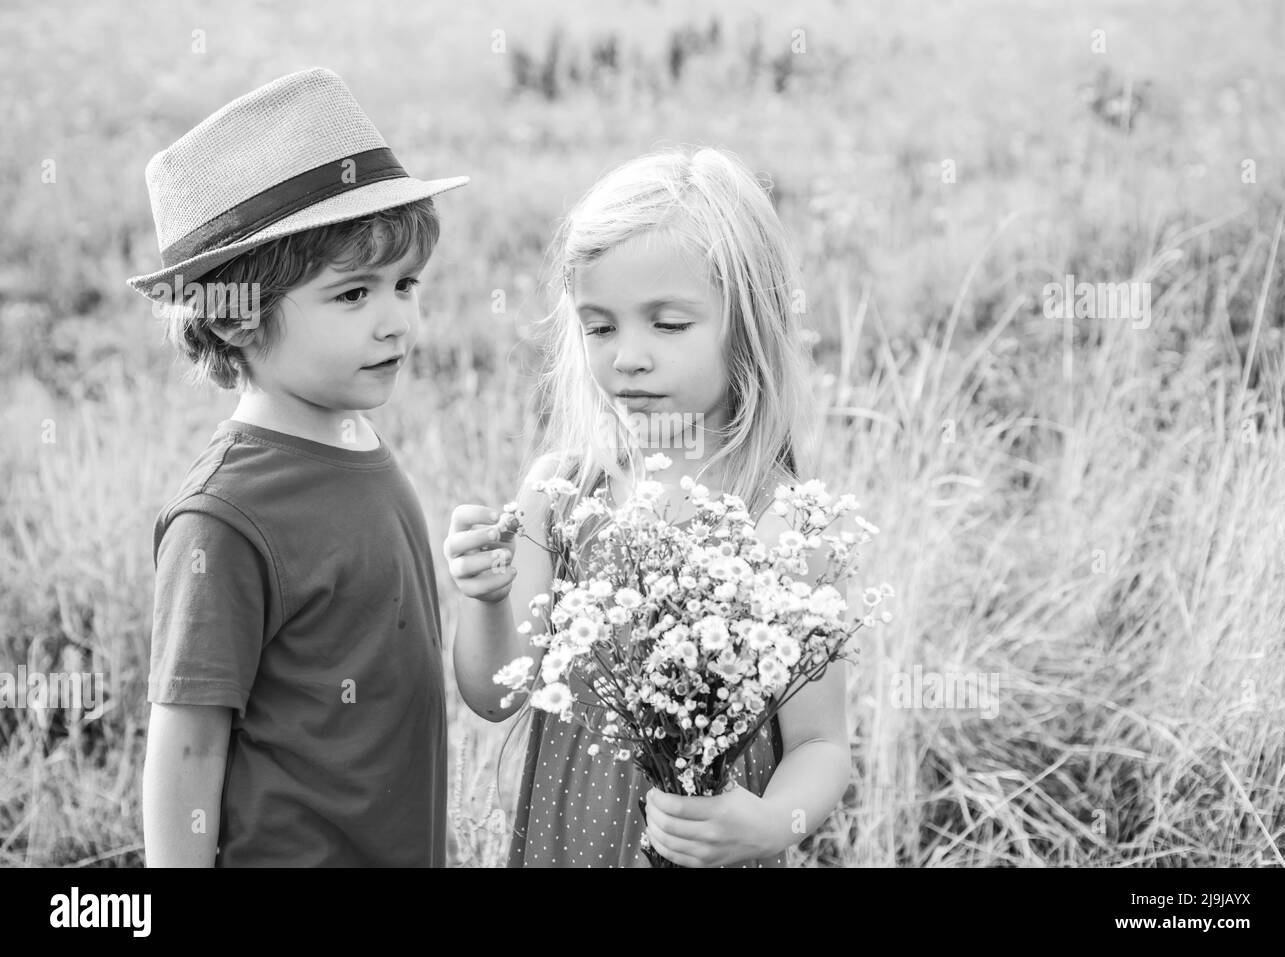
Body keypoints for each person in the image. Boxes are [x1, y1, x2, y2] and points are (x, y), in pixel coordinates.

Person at [444, 146, 851, 867]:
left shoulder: (778, 524)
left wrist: (768, 825)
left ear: (747, 323)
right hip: (566, 841)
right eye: (600, 326)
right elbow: (495, 694)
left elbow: (821, 746)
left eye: (667, 324)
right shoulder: (563, 495)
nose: (627, 356)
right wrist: (484, 598)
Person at [129, 67, 467, 866]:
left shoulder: (356, 445)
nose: (396, 323)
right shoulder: (227, 515)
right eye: (353, 295)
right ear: (239, 318)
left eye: (405, 285)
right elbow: (187, 746)